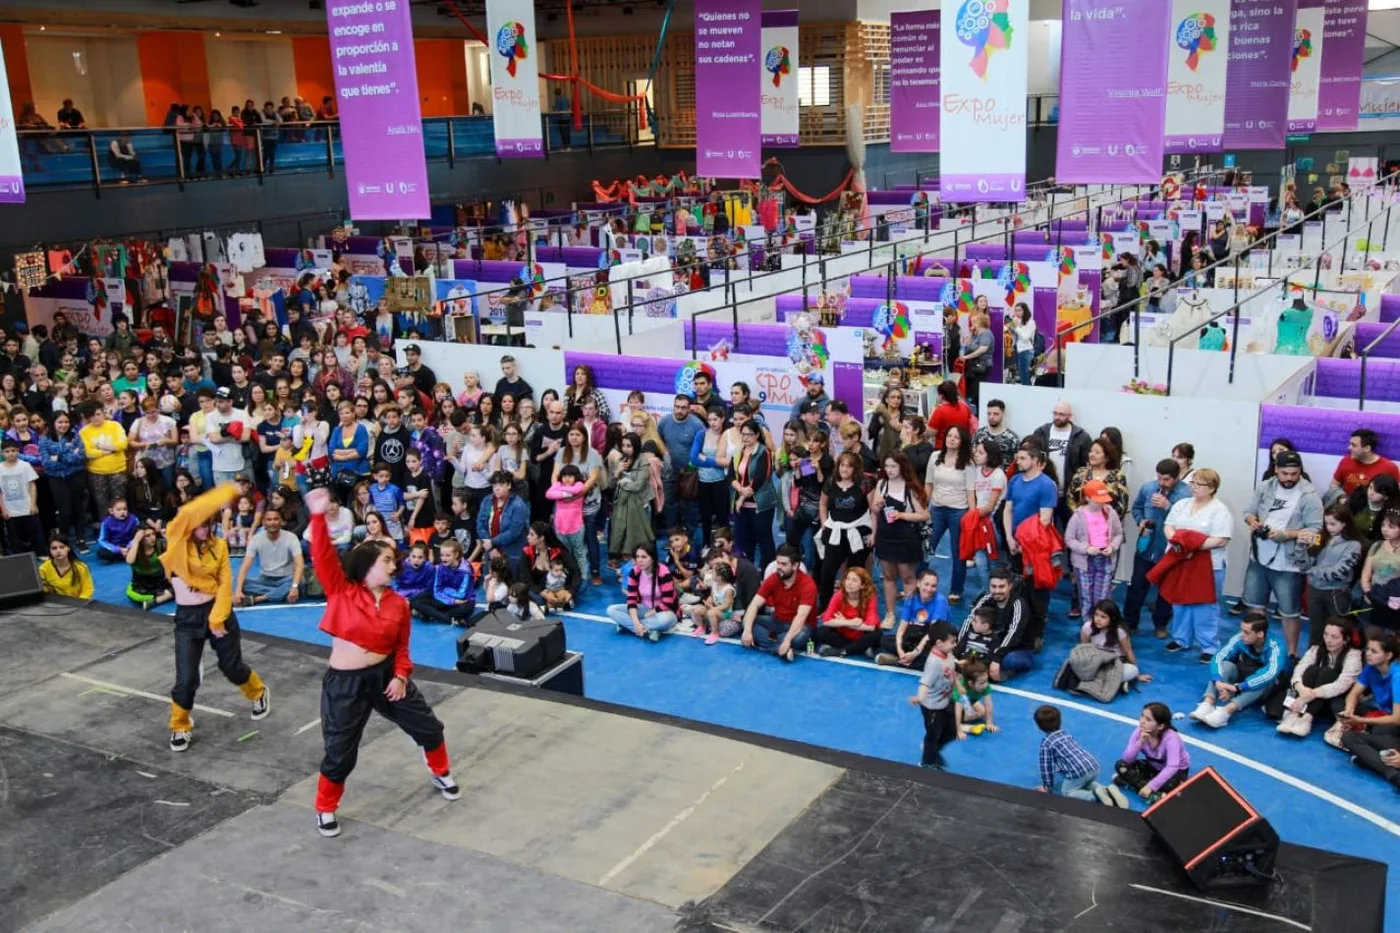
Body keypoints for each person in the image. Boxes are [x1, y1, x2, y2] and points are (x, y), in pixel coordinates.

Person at [303, 485, 461, 838]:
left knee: (430, 729)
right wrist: (316, 514)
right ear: (367, 566)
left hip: (387, 676)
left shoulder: (399, 605)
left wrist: (401, 677)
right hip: (345, 684)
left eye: (394, 561)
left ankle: (441, 770)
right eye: (387, 560)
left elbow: (403, 649)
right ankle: (325, 807)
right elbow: (323, 554)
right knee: (341, 751)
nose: (394, 565)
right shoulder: (342, 591)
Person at [161, 485, 271, 753]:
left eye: (209, 525)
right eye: (201, 525)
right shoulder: (176, 542)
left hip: (216, 612)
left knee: (231, 667)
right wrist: (225, 493)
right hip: (187, 618)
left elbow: (225, 585)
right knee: (186, 679)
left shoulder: (219, 546)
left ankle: (258, 692)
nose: (206, 529)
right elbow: (188, 512)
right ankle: (180, 725)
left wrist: (217, 618)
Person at [1242, 450, 1324, 658]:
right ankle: (1258, 650)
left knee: (1289, 613)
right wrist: (1253, 522)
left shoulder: (1310, 497)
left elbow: (1317, 535)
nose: (1289, 478)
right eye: (1285, 473)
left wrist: (1288, 534)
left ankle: (1292, 654)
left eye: (1294, 474)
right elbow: (1248, 512)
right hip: (1259, 558)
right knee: (1255, 607)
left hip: (1289, 565)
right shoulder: (1264, 487)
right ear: (1276, 470)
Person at [1161, 468, 1233, 660]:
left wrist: (1192, 546)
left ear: (1211, 488)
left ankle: (1208, 645)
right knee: (1180, 600)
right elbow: (1169, 526)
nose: (1193, 487)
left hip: (1208, 564)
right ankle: (1181, 638)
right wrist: (1178, 543)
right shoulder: (1182, 504)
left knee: (1205, 604)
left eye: (1199, 484)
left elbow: (1221, 539)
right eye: (1192, 483)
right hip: (1180, 560)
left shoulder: (1220, 510)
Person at [1124, 458, 1189, 637]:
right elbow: (1136, 508)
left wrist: (1169, 507)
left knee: (1166, 590)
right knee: (1137, 586)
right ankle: (1130, 623)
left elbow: (1187, 521)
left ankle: (1161, 625)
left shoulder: (1186, 494)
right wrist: (1140, 521)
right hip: (1146, 547)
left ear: (1177, 477)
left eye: (1166, 479)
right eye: (1159, 478)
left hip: (1169, 551)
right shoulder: (1148, 487)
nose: (1162, 483)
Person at [1003, 443, 1058, 645]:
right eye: (1018, 458)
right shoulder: (1015, 481)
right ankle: (1017, 627)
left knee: (1037, 590)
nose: (1018, 461)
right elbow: (1007, 510)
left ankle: (1036, 632)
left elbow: (1044, 519)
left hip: (1035, 548)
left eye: (1023, 458)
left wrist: (1023, 542)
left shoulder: (1046, 485)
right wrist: (1009, 537)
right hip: (1016, 544)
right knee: (1017, 587)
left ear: (1035, 460)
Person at [1189, 613, 1286, 728]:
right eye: (1241, 630)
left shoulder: (1276, 646)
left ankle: (1226, 712)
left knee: (1264, 681)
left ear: (1260, 634)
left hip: (1267, 685)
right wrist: (1218, 681)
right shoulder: (1239, 638)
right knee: (1225, 665)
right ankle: (1207, 703)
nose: (1242, 635)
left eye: (1246, 632)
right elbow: (1219, 657)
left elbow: (1269, 673)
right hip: (1244, 675)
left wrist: (1238, 687)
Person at [1275, 616, 1363, 738]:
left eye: (1334, 637)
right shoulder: (1316, 649)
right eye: (1326, 634)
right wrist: (1300, 687)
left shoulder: (1353, 655)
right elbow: (1300, 669)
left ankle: (1307, 718)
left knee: (1327, 673)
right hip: (1308, 695)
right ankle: (1294, 715)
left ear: (1346, 639)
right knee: (1311, 670)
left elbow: (1342, 684)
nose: (1328, 640)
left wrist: (1310, 696)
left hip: (1336, 696)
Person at [1338, 630, 1400, 790]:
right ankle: (1373, 759)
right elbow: (1354, 693)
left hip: (1395, 725)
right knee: (1348, 735)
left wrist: (1360, 721)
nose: (1368, 654)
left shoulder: (1398, 676)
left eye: (1374, 651)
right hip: (1382, 716)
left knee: (1379, 730)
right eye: (1367, 649)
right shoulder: (1371, 668)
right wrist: (1349, 712)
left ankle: (1390, 773)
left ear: (1388, 655)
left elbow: (1396, 718)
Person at [1034, 705, 1127, 806]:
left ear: (1039, 726)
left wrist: (1047, 787)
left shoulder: (1046, 744)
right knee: (1085, 783)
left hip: (1078, 772)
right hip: (1093, 765)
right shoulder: (1066, 735)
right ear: (1060, 721)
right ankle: (1106, 790)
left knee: (1068, 792)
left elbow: (1046, 768)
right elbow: (1072, 754)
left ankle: (1094, 795)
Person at [739, 544, 817, 662]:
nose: (779, 567)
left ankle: (778, 640)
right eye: (778, 563)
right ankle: (778, 648)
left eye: (784, 564)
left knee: (798, 638)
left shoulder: (808, 585)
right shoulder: (774, 578)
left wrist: (787, 640)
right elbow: (754, 604)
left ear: (795, 565)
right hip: (778, 622)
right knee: (747, 621)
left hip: (801, 626)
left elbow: (801, 617)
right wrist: (747, 631)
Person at [1302, 501, 1363, 650]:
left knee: (1337, 634)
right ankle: (1313, 661)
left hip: (1336, 593)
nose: (1328, 528)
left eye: (1333, 524)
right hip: (1315, 590)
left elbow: (1337, 573)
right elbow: (1303, 564)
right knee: (1316, 631)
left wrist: (1313, 570)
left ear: (1344, 524)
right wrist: (1300, 546)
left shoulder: (1354, 545)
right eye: (1326, 523)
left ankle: (1336, 665)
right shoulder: (1320, 539)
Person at [925, 425, 975, 602]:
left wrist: (972, 515)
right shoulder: (934, 457)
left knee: (957, 553)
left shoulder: (968, 463)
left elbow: (970, 491)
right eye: (949, 435)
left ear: (962, 441)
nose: (951, 439)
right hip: (936, 509)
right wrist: (924, 508)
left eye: (956, 437)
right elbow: (929, 484)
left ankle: (956, 589)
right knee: (927, 547)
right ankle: (919, 582)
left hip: (959, 511)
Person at [1064, 480, 1124, 619]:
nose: (1101, 503)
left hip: (1105, 558)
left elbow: (1119, 534)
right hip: (1084, 561)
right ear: (1087, 498)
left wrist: (1112, 546)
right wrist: (1086, 548)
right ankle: (1087, 625)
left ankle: (1102, 627)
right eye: (1098, 500)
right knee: (1085, 597)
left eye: (1103, 500)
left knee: (1103, 597)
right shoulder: (1078, 516)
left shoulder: (1111, 513)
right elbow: (1069, 539)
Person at [959, 570, 1034, 681]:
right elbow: (969, 620)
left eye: (1001, 587)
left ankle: (998, 672)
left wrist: (996, 658)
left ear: (1010, 586)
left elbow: (1013, 634)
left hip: (1017, 649)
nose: (997, 591)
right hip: (990, 646)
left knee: (1009, 660)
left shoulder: (1018, 605)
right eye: (993, 586)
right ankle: (984, 669)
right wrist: (960, 646)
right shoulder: (986, 599)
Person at [909, 621, 960, 769]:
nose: (955, 645)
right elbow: (925, 683)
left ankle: (932, 749)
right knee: (933, 735)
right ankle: (927, 762)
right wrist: (919, 697)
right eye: (952, 642)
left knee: (953, 729)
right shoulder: (934, 663)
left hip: (945, 700)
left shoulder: (948, 653)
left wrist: (958, 683)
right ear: (939, 642)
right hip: (932, 706)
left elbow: (952, 669)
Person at [1114, 702, 1190, 801]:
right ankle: (1154, 795)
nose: (1142, 721)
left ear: (1160, 726)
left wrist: (1151, 786)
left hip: (1176, 771)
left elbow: (1172, 767)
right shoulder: (1138, 732)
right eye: (1142, 716)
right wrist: (1140, 742)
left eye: (1148, 719)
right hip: (1153, 767)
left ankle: (1133, 784)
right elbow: (1127, 760)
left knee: (1170, 786)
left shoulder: (1171, 738)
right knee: (1120, 765)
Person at [1031, 401, 1091, 524]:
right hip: (1044, 490)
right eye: (1055, 413)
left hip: (1069, 493)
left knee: (1069, 529)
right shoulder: (1041, 433)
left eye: (1061, 414)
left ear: (1069, 416)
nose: (1057, 417)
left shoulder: (1082, 437)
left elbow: (1086, 465)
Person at [876, 568, 949, 668]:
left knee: (934, 655)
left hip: (932, 638)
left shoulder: (940, 601)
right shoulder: (911, 598)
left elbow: (932, 633)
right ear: (918, 584)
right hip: (915, 638)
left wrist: (916, 652)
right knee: (885, 640)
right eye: (926, 584)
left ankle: (897, 661)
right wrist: (899, 648)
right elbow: (901, 629)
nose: (929, 589)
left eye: (933, 586)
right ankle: (906, 658)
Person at [729, 420, 776, 569]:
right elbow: (730, 475)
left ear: (756, 435)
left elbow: (760, 478)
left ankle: (767, 571)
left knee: (764, 539)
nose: (746, 438)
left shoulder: (764, 452)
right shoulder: (738, 451)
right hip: (742, 503)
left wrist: (742, 496)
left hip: (760, 504)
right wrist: (739, 489)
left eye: (749, 435)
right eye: (743, 434)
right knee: (743, 540)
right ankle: (746, 570)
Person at [608, 542, 679, 640]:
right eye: (637, 557)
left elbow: (668, 602)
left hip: (663, 611)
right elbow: (631, 600)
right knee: (612, 610)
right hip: (644, 608)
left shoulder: (663, 572)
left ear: (653, 558)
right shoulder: (634, 572)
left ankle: (627, 626)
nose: (639, 560)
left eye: (644, 557)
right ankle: (644, 630)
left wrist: (652, 612)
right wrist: (636, 622)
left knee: (665, 621)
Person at [233, 509, 305, 605]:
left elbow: (299, 564)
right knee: (236, 581)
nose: (272, 523)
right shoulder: (256, 539)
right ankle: (278, 594)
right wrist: (238, 590)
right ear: (263, 522)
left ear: (281, 522)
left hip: (286, 578)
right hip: (265, 579)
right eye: (269, 520)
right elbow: (245, 565)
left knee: (300, 582)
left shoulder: (291, 537)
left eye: (276, 519)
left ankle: (258, 599)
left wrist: (295, 586)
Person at [814, 567, 881, 658]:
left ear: (862, 585)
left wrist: (843, 621)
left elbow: (870, 627)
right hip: (844, 634)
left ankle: (842, 651)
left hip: (862, 634)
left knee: (877, 634)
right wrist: (849, 622)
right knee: (821, 631)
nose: (849, 583)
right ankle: (860, 647)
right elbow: (826, 620)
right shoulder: (839, 595)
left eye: (854, 580)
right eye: (847, 579)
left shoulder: (870, 598)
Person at [1081, 599, 1150, 686]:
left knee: (1132, 670)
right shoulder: (1087, 627)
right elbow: (1084, 649)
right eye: (1096, 615)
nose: (1098, 619)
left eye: (1103, 617)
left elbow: (1128, 652)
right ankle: (1115, 684)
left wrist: (1137, 676)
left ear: (1112, 618)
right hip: (1095, 661)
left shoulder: (1119, 631)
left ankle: (1101, 681)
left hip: (1114, 663)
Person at [411, 538, 477, 625]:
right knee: (415, 601)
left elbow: (462, 595)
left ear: (456, 554)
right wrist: (450, 599)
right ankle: (446, 618)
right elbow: (437, 590)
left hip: (460, 601)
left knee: (465, 608)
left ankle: (431, 614)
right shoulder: (441, 567)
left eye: (447, 555)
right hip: (446, 599)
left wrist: (445, 592)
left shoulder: (466, 570)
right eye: (442, 555)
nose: (443, 558)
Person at [476, 470, 529, 570]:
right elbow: (480, 525)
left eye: (500, 485)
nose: (496, 488)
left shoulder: (518, 505)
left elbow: (514, 532)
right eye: (494, 485)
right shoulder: (487, 500)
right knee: (488, 580)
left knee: (511, 580)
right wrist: (491, 547)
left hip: (512, 550)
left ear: (509, 485)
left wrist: (493, 542)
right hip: (491, 549)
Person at [1330, 428, 1398, 503]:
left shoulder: (1389, 467)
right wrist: (1341, 498)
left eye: (1354, 445)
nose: (1349, 448)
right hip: (1346, 507)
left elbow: (1396, 494)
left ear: (1367, 448)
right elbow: (1334, 485)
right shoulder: (1346, 461)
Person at [1361, 507, 1400, 630]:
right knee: (1369, 638)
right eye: (1383, 525)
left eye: (1391, 527)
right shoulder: (1377, 545)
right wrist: (1368, 592)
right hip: (1371, 599)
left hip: (1392, 604)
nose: (1385, 530)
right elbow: (1366, 574)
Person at [0, 437, 41, 554]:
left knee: (35, 532)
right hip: (10, 510)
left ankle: (40, 553)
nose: (10, 454)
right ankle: (19, 556)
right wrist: (3, 509)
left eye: (13, 450)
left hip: (27, 507)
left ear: (18, 451)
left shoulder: (25, 466)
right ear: (2, 453)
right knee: (14, 537)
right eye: (7, 451)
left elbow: (32, 485)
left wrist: (33, 504)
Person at [38, 533, 92, 599]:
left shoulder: (80, 567)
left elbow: (87, 590)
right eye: (54, 548)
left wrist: (78, 604)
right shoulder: (43, 569)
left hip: (78, 603)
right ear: (50, 550)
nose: (58, 551)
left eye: (62, 547)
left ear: (68, 548)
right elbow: (44, 592)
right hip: (55, 604)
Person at [927, 380, 973, 450]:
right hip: (962, 446)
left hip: (942, 448)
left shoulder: (939, 411)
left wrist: (932, 412)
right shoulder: (965, 407)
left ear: (941, 396)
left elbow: (929, 433)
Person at [1012, 303, 1037, 385]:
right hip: (1017, 351)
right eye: (1016, 310)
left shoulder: (1030, 323)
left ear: (1025, 310)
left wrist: (1016, 327)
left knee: (1026, 378)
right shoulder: (1017, 322)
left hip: (1026, 351)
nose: (1017, 312)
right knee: (1022, 377)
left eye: (1019, 310)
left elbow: (1025, 337)